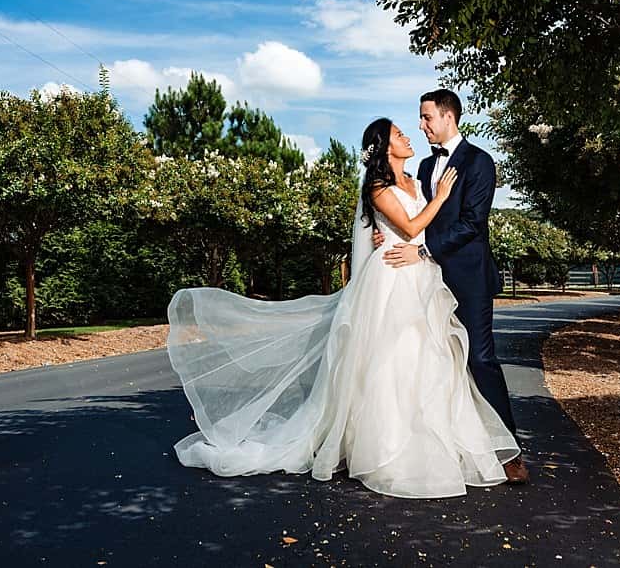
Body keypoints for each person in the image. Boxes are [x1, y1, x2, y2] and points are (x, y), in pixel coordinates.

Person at [165, 115, 520, 498]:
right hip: (391, 278)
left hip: (420, 274)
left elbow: (419, 227)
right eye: (400, 133)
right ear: (385, 147)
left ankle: (439, 441)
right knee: (390, 359)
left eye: (419, 122)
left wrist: (411, 224)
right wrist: (439, 200)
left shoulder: (414, 178)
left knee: (428, 358)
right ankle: (385, 447)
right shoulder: (378, 185)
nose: (410, 133)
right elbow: (415, 226)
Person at [373, 88, 529, 483]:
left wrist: (421, 250)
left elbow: (472, 223)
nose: (421, 125)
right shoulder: (423, 168)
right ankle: (449, 448)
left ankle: (509, 452)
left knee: (479, 359)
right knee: (437, 364)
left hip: (468, 276)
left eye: (426, 117)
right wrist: (386, 236)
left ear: (448, 117)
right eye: (420, 118)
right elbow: (415, 214)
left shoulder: (479, 162)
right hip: (425, 281)